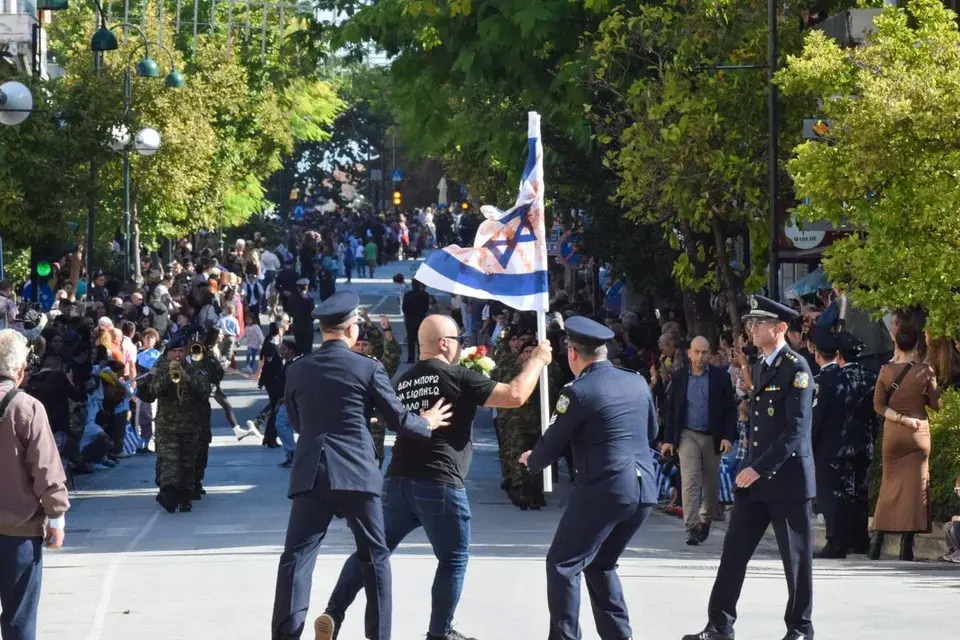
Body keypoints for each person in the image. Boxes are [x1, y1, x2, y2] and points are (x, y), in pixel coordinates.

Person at [322, 314, 552, 640]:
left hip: (398, 481)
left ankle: (333, 613)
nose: (461, 347)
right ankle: (439, 634)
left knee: (372, 551)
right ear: (445, 343)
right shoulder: (459, 376)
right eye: (458, 340)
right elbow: (515, 395)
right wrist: (539, 360)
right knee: (453, 560)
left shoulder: (403, 379)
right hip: (439, 483)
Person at [270, 291, 452, 640]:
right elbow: (399, 420)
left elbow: (296, 423)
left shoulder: (297, 370)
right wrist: (426, 421)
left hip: (312, 473)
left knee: (296, 560)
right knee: (375, 559)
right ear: (351, 329)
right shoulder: (368, 368)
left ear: (324, 330)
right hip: (356, 474)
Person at [515, 316, 657, 640]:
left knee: (563, 563)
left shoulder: (576, 392)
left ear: (573, 354)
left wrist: (532, 460)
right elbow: (651, 431)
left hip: (604, 489)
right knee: (601, 563)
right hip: (643, 488)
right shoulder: (636, 381)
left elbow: (554, 439)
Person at [683, 295, 815, 640]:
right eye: (751, 323)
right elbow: (758, 427)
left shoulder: (796, 368)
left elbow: (795, 429)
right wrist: (748, 466)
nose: (752, 328)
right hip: (753, 480)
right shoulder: (759, 365)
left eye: (759, 323)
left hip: (785, 479)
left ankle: (800, 629)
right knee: (733, 555)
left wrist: (757, 468)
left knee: (796, 562)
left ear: (781, 327)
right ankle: (719, 626)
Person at [0, 329, 70, 640]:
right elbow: (46, 468)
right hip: (19, 533)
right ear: (18, 370)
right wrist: (56, 516)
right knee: (19, 621)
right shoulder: (26, 407)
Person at [868, 324, 940, 561]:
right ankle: (905, 547)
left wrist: (900, 418)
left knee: (888, 487)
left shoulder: (885, 371)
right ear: (917, 344)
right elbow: (936, 404)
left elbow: (878, 406)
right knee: (915, 489)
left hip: (894, 434)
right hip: (919, 433)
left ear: (896, 344)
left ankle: (876, 541)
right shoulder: (925, 371)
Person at [660, 335, 737, 545]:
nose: (700, 356)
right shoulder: (679, 377)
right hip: (687, 435)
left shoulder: (720, 378)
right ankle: (691, 527)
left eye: (704, 352)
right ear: (689, 353)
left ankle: (705, 519)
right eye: (696, 352)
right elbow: (671, 410)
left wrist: (728, 437)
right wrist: (668, 440)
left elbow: (731, 409)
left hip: (713, 436)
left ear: (709, 354)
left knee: (710, 486)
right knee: (690, 480)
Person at [808, 328, 849, 558]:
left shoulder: (821, 382)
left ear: (816, 353)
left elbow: (817, 417)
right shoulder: (846, 376)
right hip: (849, 443)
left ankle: (834, 541)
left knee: (828, 495)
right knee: (843, 494)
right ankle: (845, 539)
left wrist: (808, 444)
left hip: (827, 446)